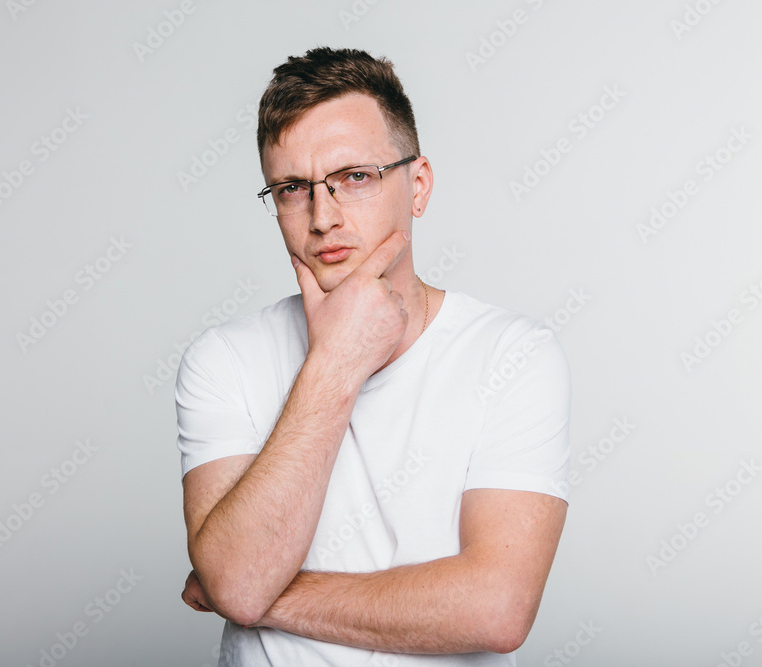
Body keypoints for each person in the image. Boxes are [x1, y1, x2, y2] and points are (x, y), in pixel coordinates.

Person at [175, 46, 571, 666]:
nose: (323, 217)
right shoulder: (222, 359)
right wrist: (336, 362)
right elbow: (238, 582)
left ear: (417, 186)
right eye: (292, 188)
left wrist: (254, 596)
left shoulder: (513, 354)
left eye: (355, 177)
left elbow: (496, 610)